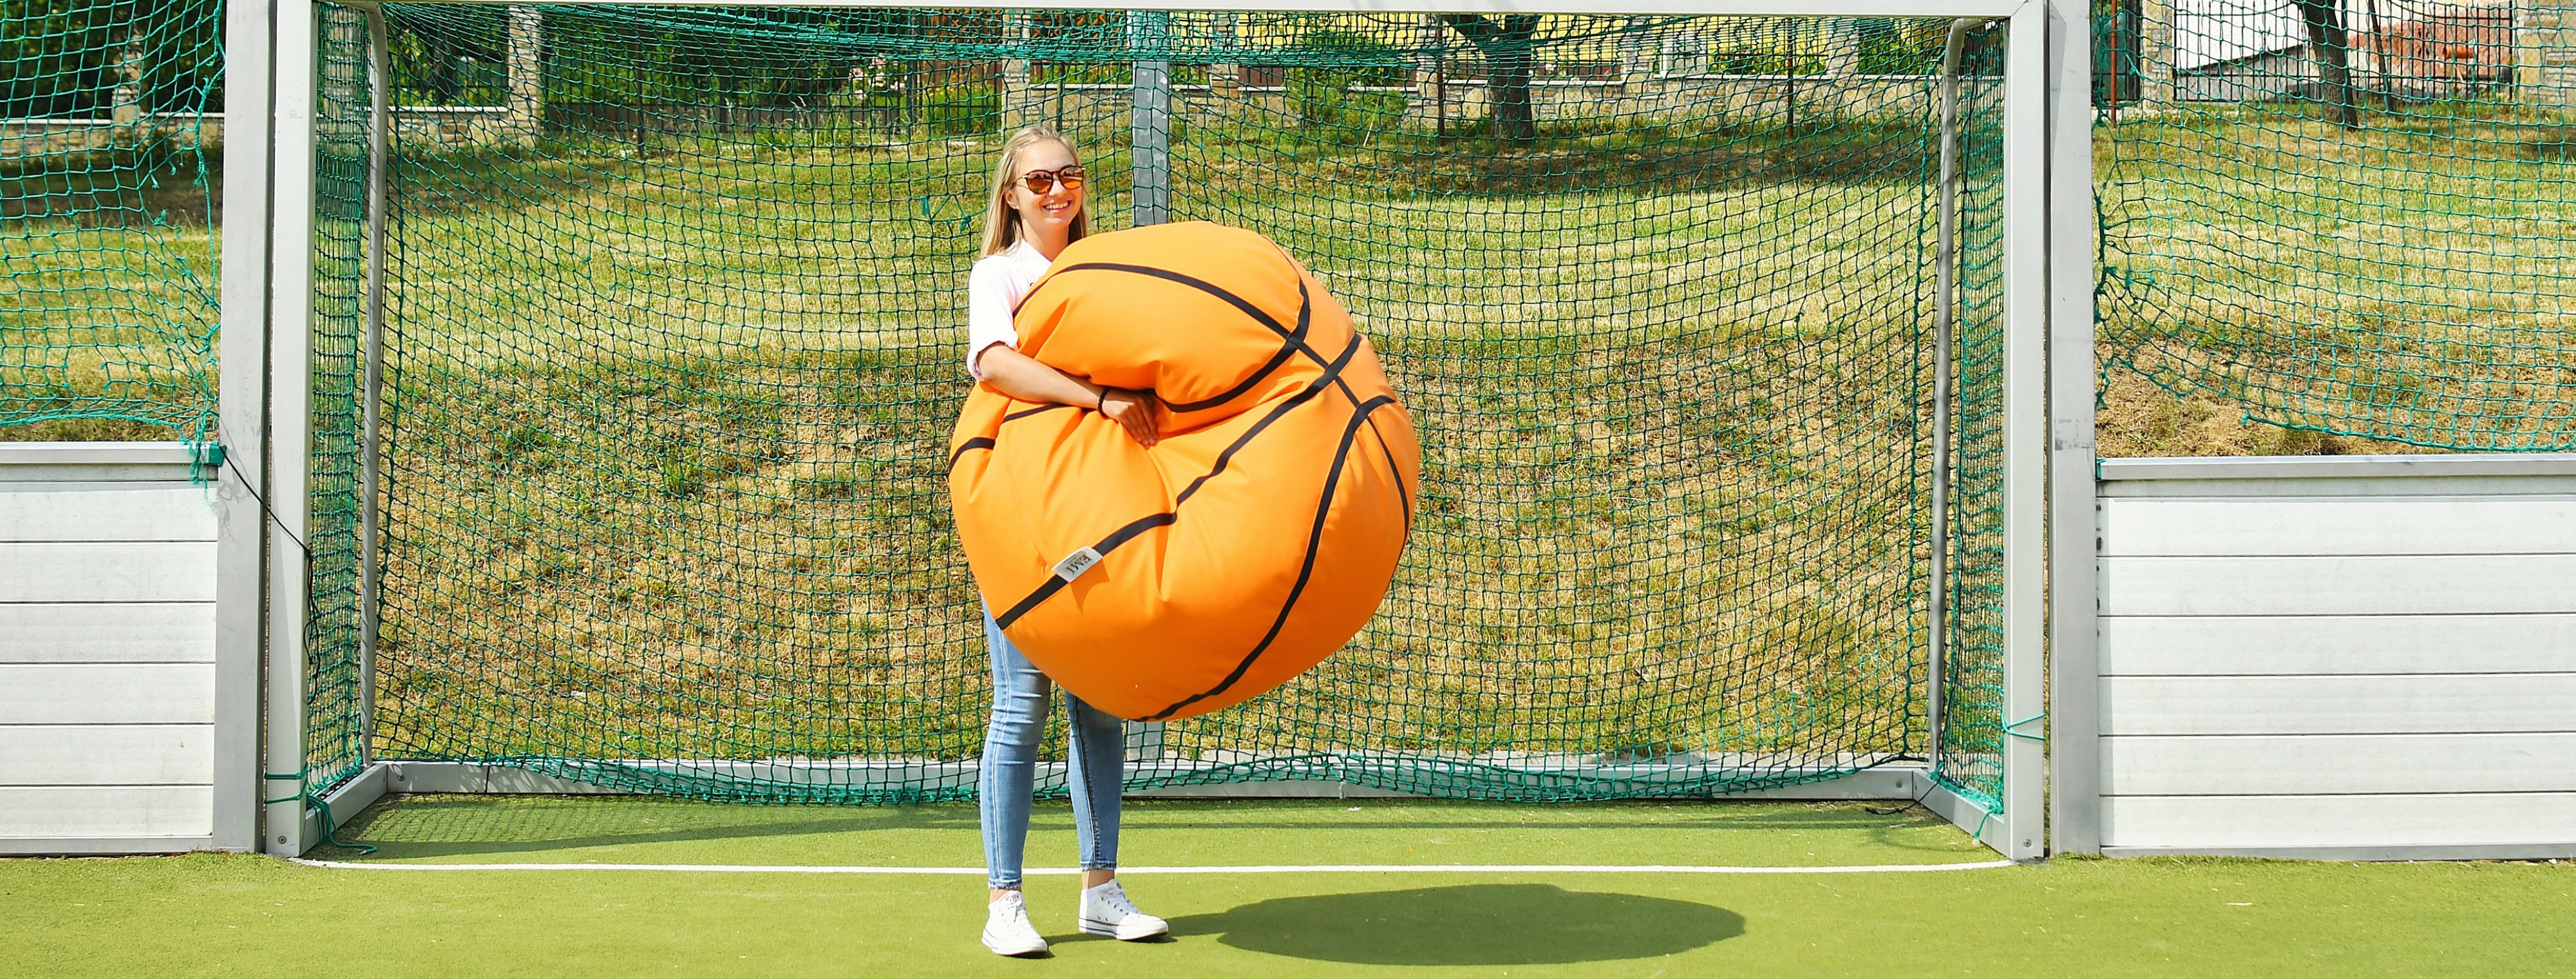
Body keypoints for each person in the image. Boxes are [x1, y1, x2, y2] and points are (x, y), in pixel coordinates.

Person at [964, 124, 1168, 958]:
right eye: (1039, 179)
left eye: (1070, 175)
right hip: (1020, 511)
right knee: (1021, 706)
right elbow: (993, 363)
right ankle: (1004, 903)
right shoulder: (999, 274)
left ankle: (1101, 891)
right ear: (1011, 195)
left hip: (1102, 510)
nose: (1058, 191)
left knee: (1102, 705)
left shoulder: (1104, 269)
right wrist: (1094, 398)